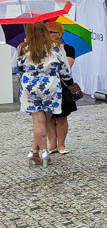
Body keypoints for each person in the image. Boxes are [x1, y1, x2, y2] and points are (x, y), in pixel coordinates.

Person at [16, 21, 72, 166]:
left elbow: (18, 67)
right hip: (50, 87)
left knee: (37, 121)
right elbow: (65, 71)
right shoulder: (56, 47)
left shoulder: (23, 47)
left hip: (29, 87)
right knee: (45, 120)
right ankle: (41, 152)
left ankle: (37, 152)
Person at [46, 21, 76, 154]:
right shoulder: (40, 49)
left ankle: (61, 144)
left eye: (50, 32)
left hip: (62, 85)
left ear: (59, 34)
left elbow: (66, 67)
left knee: (62, 117)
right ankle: (52, 144)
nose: (47, 35)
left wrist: (57, 52)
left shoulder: (68, 49)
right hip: (46, 86)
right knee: (48, 117)